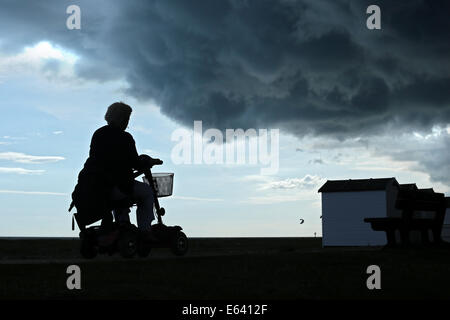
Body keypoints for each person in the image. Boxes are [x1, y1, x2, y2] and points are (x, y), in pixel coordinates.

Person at [72, 102, 157, 242]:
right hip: (114, 185)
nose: (127, 122)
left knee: (119, 193)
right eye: (127, 119)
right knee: (147, 192)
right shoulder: (125, 138)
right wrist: (149, 162)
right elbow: (134, 162)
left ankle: (121, 224)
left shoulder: (98, 134)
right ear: (123, 119)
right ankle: (145, 231)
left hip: (94, 185)